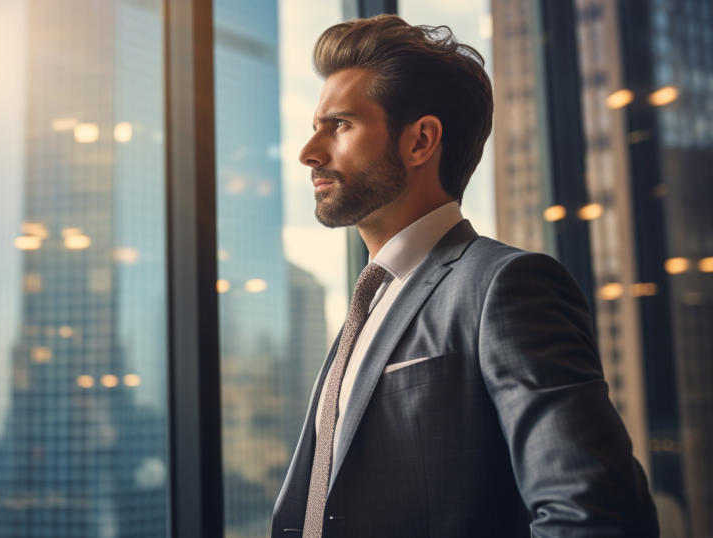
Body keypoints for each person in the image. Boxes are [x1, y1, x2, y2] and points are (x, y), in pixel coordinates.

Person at [271, 14, 658, 538]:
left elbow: (592, 516)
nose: (308, 152)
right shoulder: (368, 302)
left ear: (420, 141)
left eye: (339, 124)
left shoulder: (506, 286)